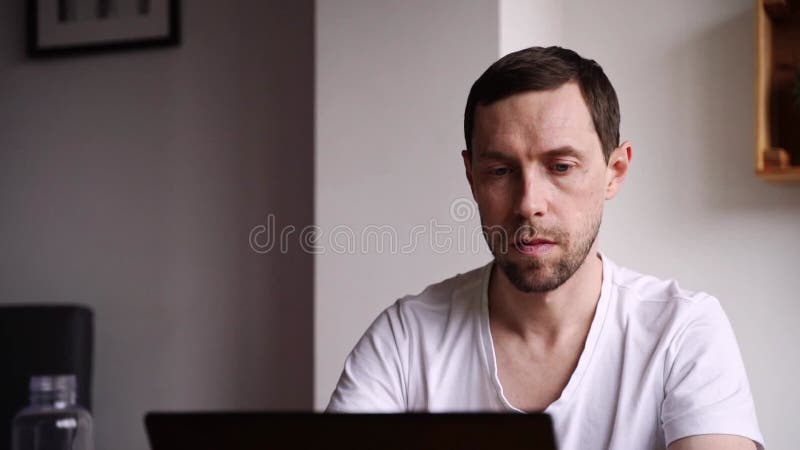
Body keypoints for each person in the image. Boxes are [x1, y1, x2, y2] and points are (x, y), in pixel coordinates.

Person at [326, 46, 764, 450]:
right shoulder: (407, 339)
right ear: (471, 177)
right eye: (500, 170)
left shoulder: (681, 333)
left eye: (560, 166)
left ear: (615, 170)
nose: (528, 204)